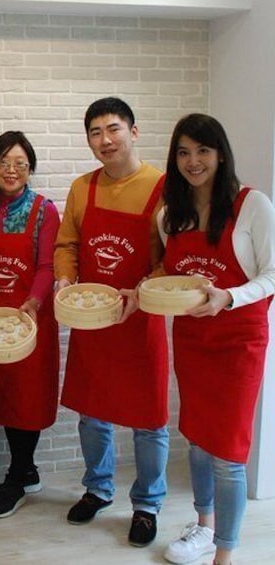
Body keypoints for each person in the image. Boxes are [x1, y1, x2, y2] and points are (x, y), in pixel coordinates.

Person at [156, 114, 275, 565]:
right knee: (198, 439)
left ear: (220, 154)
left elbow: (272, 274)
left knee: (228, 451)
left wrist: (229, 296)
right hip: (192, 340)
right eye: (183, 152)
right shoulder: (172, 215)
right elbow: (169, 279)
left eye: (202, 150)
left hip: (238, 341)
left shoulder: (253, 205)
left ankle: (224, 554)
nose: (193, 161)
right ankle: (203, 527)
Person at [54, 97, 169, 547]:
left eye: (114, 129)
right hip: (92, 319)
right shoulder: (83, 187)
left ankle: (147, 504)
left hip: (142, 319)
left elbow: (172, 259)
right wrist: (65, 279)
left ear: (134, 132)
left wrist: (142, 292)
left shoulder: (163, 187)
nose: (106, 140)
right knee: (93, 412)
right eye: (96, 132)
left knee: (149, 420)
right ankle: (98, 489)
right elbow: (67, 244)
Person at [0, 131, 60, 519]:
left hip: (29, 317)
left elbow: (47, 266)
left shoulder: (44, 211)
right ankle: (26, 471)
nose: (11, 171)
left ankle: (17, 476)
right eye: (3, 163)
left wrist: (33, 302)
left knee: (26, 397)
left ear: (31, 169)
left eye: (20, 164)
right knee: (0, 394)